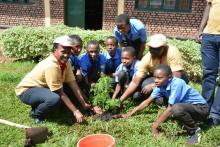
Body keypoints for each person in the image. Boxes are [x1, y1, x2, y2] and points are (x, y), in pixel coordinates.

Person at [120, 64, 209, 145]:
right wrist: (130, 114)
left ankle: (194, 131)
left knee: (176, 108)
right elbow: (147, 102)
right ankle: (188, 122)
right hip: (188, 108)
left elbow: (171, 108)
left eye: (159, 78)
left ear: (169, 77)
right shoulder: (160, 85)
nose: (156, 80)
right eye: (155, 77)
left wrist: (155, 126)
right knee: (173, 106)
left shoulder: (177, 83)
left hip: (201, 109)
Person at [15, 36, 91, 123]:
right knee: (54, 98)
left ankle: (46, 103)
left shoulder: (66, 62)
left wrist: (84, 103)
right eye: (63, 52)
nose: (66, 55)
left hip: (43, 88)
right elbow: (60, 92)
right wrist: (76, 111)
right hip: (27, 90)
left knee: (71, 87)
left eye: (69, 52)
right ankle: (36, 113)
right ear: (55, 50)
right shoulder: (51, 66)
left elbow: (73, 84)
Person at [119, 34, 188, 104]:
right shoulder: (147, 58)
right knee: (145, 84)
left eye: (156, 48)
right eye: (151, 47)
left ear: (164, 47)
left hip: (176, 78)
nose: (152, 50)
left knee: (176, 86)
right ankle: (160, 98)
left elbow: (176, 77)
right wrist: (120, 100)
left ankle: (173, 98)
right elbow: (135, 82)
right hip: (160, 79)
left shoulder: (172, 51)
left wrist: (153, 86)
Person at [194, 0, 220, 126]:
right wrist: (200, 30)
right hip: (209, 36)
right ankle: (204, 110)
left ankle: (215, 115)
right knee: (208, 74)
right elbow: (208, 7)